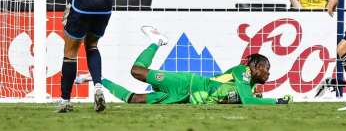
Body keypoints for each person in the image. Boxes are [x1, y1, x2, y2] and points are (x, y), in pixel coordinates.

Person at [94, 31, 287, 105]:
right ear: (255, 66)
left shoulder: (251, 87)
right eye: (266, 68)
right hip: (186, 83)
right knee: (137, 71)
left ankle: (98, 80)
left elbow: (244, 98)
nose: (268, 74)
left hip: (185, 97)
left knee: (135, 100)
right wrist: (278, 101)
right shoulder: (242, 72)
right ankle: (156, 41)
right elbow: (248, 101)